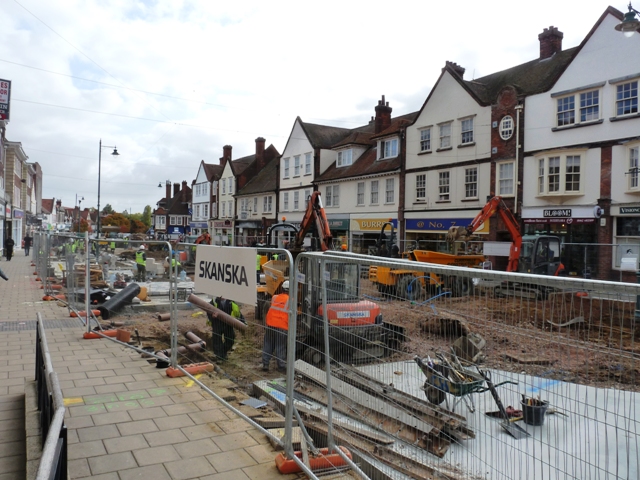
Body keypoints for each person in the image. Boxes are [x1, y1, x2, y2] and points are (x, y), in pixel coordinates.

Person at [262, 280, 290, 373]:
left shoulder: (274, 297)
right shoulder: (291, 301)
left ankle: (265, 364)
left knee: (268, 344)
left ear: (282, 289)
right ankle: (281, 366)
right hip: (282, 327)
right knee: (280, 346)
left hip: (271, 324)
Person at [207, 296, 246, 361]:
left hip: (228, 325)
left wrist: (244, 322)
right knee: (217, 341)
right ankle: (219, 357)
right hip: (217, 324)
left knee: (230, 340)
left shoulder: (231, 302)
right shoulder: (214, 302)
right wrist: (212, 316)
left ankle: (222, 353)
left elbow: (238, 313)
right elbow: (208, 312)